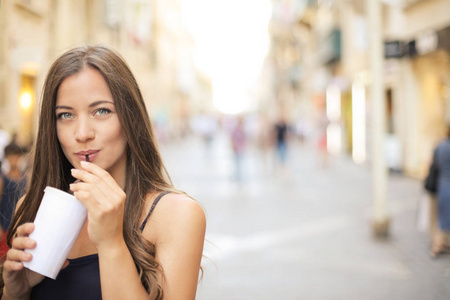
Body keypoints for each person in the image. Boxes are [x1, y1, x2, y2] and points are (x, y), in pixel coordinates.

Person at [0, 45, 206, 300]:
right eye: (65, 115)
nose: (82, 133)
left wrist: (111, 243)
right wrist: (14, 293)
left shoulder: (176, 215)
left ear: (131, 117)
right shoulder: (33, 208)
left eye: (101, 111)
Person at [0, 143, 28, 258]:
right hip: (5, 225)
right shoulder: (2, 178)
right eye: (11, 157)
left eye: (16, 156)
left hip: (19, 226)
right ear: (6, 157)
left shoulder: (25, 178)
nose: (14, 160)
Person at [429, 126, 450, 257]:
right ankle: (439, 246)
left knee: (442, 218)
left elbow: (433, 165)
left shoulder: (440, 147)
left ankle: (437, 245)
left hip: (443, 185)